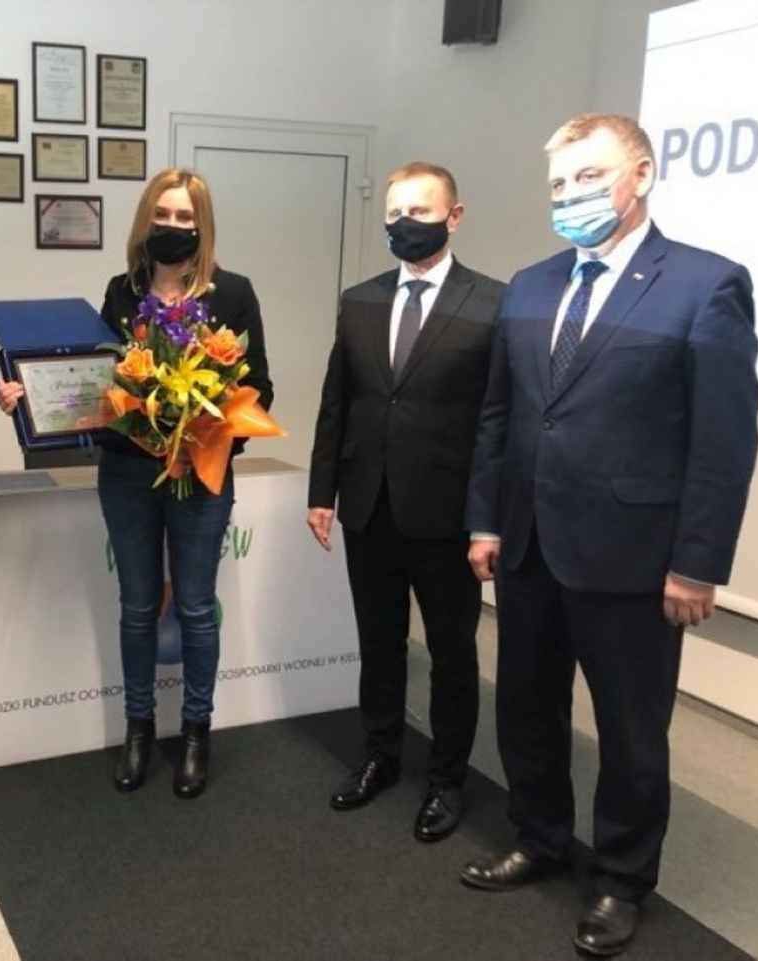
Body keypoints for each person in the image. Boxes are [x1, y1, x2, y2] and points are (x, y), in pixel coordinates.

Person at [460, 113, 758, 957]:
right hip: (528, 544)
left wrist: (697, 563)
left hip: (634, 556)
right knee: (525, 704)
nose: (571, 195)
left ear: (642, 174)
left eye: (589, 177)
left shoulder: (705, 284)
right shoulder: (530, 285)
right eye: (559, 183)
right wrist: (485, 517)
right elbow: (501, 415)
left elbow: (723, 440)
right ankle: (540, 837)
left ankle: (622, 879)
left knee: (630, 731)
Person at [0, 169, 272, 799]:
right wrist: (30, 398)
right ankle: (139, 728)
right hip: (127, 474)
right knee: (138, 606)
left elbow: (261, 387)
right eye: (162, 216)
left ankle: (196, 731)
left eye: (185, 217)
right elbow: (95, 381)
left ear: (202, 225)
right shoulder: (122, 291)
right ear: (146, 221)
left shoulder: (233, 293)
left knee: (196, 608)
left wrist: (199, 434)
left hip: (200, 474)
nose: (172, 227)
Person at [307, 162, 504, 842]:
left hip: (447, 514)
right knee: (379, 643)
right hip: (368, 504)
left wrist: (488, 519)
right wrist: (322, 491)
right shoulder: (360, 300)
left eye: (419, 211)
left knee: (451, 654)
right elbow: (339, 400)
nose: (403, 223)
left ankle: (446, 780)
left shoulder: (493, 303)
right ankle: (380, 755)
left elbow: (496, 421)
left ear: (454, 216)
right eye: (394, 213)